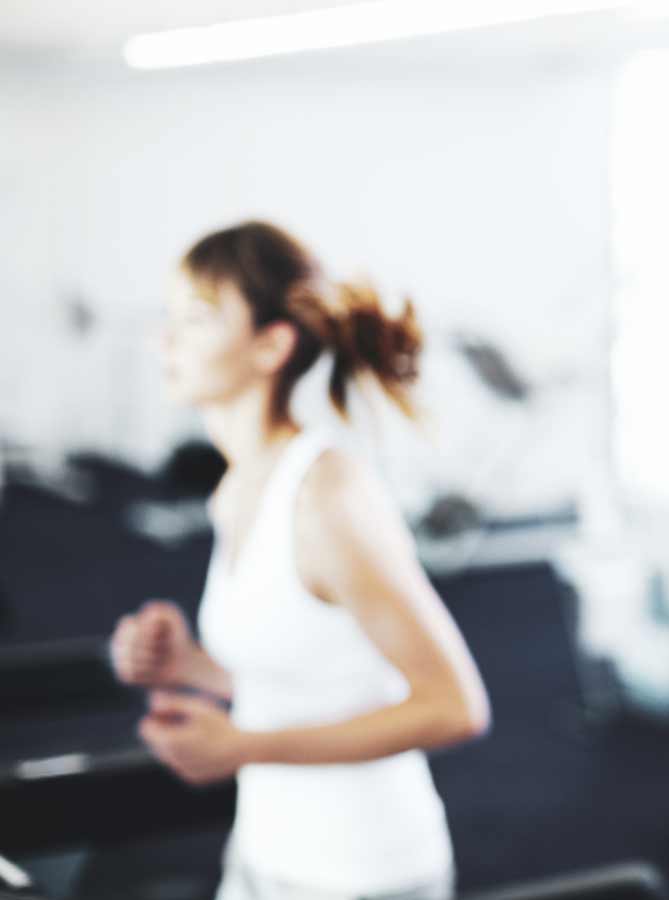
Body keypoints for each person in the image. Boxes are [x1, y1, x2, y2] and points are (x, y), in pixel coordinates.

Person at [110, 220, 491, 900]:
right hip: (266, 852)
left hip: (362, 874)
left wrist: (241, 749)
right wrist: (187, 667)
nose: (165, 339)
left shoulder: (327, 494)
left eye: (197, 319)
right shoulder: (235, 489)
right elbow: (312, 679)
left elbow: (454, 707)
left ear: (271, 345)